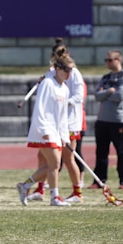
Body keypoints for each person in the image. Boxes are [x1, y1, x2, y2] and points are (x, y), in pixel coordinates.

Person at [27, 40, 85, 204]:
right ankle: (41, 189)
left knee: (66, 158)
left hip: (68, 121)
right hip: (53, 123)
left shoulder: (74, 73)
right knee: (44, 156)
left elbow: (79, 96)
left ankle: (76, 191)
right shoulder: (51, 75)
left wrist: (63, 102)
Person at [17, 51, 75, 207]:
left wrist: (65, 136)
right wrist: (45, 132)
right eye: (66, 70)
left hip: (56, 133)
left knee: (51, 165)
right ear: (57, 68)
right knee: (55, 164)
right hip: (45, 131)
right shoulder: (47, 84)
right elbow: (41, 109)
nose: (69, 74)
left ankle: (25, 185)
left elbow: (62, 116)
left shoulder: (65, 89)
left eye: (71, 71)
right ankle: (54, 197)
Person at [90, 50, 123, 190]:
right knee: (101, 152)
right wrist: (109, 91)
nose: (108, 63)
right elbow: (97, 95)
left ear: (119, 60)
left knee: (122, 152)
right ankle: (99, 180)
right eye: (106, 60)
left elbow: (121, 95)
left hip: (118, 120)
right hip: (102, 120)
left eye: (111, 60)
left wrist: (106, 93)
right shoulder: (105, 77)